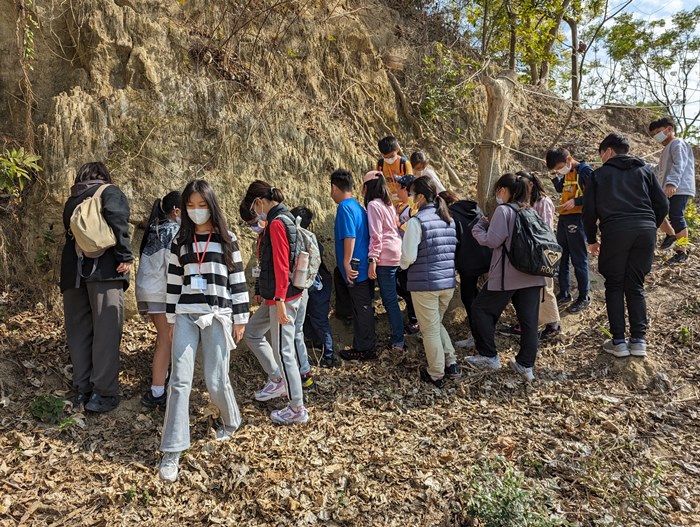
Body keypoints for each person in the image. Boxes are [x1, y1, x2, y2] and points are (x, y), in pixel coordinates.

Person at [159, 179, 249, 482]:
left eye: (202, 205)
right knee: (180, 381)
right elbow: (173, 284)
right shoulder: (180, 242)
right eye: (191, 205)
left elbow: (237, 281)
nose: (197, 211)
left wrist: (240, 318)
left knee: (215, 379)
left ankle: (230, 419)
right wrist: (171, 321)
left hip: (219, 315)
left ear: (212, 205)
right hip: (185, 314)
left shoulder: (227, 239)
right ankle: (172, 450)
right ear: (184, 208)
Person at [583, 134, 668, 358]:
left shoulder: (598, 175)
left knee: (614, 284)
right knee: (636, 284)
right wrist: (651, 224)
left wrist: (592, 240)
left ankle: (619, 342)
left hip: (616, 231)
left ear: (608, 151)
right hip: (645, 230)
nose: (601, 158)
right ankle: (639, 341)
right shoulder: (645, 171)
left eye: (601, 154)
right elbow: (663, 203)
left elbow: (589, 211)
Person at [61, 162, 133, 413]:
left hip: (72, 275)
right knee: (106, 331)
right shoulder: (109, 192)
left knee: (79, 331)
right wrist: (124, 256)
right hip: (104, 272)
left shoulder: (72, 200)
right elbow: (118, 222)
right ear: (104, 176)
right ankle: (103, 393)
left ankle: (83, 389)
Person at [242, 181, 310, 424]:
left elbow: (282, 265)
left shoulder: (278, 223)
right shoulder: (282, 219)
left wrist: (280, 299)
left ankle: (296, 408)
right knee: (252, 332)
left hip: (284, 297)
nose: (255, 213)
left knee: (284, 351)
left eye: (254, 206)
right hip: (278, 295)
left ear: (259, 201)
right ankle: (277, 379)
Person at [467, 174, 545, 382]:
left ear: (503, 190)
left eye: (497, 191)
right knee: (529, 322)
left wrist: (478, 227)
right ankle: (525, 365)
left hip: (507, 275)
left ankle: (489, 355)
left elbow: (492, 241)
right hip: (533, 274)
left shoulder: (504, 210)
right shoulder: (530, 210)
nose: (497, 195)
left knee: (481, 309)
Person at [400, 177, 459, 388]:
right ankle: (451, 362)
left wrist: (400, 265)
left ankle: (436, 373)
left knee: (430, 330)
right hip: (447, 282)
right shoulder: (448, 219)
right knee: (435, 323)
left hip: (425, 285)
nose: (410, 198)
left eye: (412, 194)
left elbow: (407, 257)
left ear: (421, 196)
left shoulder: (416, 222)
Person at [135, 191, 181, 410]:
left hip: (150, 292)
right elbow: (173, 269)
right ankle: (157, 392)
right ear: (177, 211)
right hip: (163, 293)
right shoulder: (173, 231)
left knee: (163, 339)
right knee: (167, 340)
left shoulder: (155, 228)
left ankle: (160, 382)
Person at [330, 169, 377, 360]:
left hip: (356, 269)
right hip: (363, 265)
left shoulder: (344, 208)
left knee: (362, 307)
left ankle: (365, 348)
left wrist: (346, 262)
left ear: (334, 187)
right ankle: (364, 343)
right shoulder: (358, 206)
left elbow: (350, 235)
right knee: (361, 305)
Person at [440, 190, 492, 349]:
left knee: (468, 299)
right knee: (476, 297)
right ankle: (481, 331)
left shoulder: (452, 215)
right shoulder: (475, 209)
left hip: (468, 262)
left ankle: (476, 336)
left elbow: (453, 242)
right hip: (486, 257)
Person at [545, 147, 593, 313]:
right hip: (565, 217)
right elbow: (561, 188)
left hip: (578, 218)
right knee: (562, 256)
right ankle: (564, 293)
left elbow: (594, 194)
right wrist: (553, 174)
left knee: (579, 259)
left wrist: (576, 201)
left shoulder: (584, 171)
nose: (559, 171)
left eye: (559, 168)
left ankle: (584, 296)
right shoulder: (568, 172)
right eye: (557, 169)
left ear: (569, 159)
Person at [364, 171, 406, 352]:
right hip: (398, 252)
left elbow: (376, 235)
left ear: (368, 187)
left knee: (389, 301)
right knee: (397, 295)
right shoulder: (388, 204)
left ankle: (398, 341)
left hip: (386, 257)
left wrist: (373, 259)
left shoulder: (373, 205)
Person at [290, 206, 337, 368]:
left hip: (318, 286)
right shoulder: (303, 238)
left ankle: (330, 356)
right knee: (307, 318)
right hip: (311, 287)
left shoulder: (309, 240)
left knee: (319, 319)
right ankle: (317, 343)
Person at [648, 117, 696, 265]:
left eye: (658, 131)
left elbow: (679, 164)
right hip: (669, 187)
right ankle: (671, 234)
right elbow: (658, 170)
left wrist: (671, 183)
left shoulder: (677, 143)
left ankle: (683, 250)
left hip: (679, 187)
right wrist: (640, 164)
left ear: (669, 129)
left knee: (676, 216)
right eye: (654, 134)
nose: (657, 136)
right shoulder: (667, 149)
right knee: (656, 210)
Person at [519, 172, 561, 340]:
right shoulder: (528, 202)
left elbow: (546, 230)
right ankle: (530, 321)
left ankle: (553, 324)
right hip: (532, 251)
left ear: (531, 184)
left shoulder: (543, 202)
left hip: (544, 251)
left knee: (545, 289)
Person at [394, 175, 419, 334]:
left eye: (399, 186)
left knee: (408, 288)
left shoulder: (413, 208)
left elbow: (414, 229)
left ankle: (415, 320)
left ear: (406, 189)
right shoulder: (401, 206)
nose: (395, 189)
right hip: (400, 253)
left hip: (410, 255)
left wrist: (398, 224)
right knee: (401, 286)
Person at [376, 136, 413, 207]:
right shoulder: (380, 164)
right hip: (388, 203)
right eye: (386, 157)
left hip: (405, 203)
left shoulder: (404, 164)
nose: (389, 159)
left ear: (397, 149)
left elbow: (410, 186)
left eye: (391, 156)